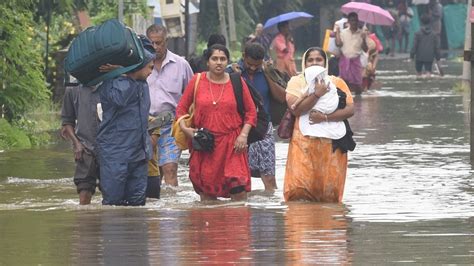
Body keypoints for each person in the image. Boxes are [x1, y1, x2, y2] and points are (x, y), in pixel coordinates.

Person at [175, 44, 257, 201]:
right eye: (214, 59)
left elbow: (251, 111)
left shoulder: (237, 82)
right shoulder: (197, 80)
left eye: (222, 59)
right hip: (206, 145)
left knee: (238, 189)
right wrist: (186, 129)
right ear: (207, 62)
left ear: (227, 62)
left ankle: (238, 225)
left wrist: (243, 135)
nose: (218, 62)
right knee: (207, 194)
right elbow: (181, 109)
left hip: (233, 144)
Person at [283, 47, 354, 203]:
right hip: (303, 143)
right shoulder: (296, 82)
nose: (314, 63)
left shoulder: (337, 82)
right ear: (305, 63)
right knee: (299, 191)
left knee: (329, 194)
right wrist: (317, 94)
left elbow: (350, 110)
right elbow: (296, 110)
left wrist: (325, 117)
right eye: (310, 60)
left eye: (319, 60)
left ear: (325, 62)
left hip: (332, 146)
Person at [96, 47, 155, 206]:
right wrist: (129, 74)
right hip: (115, 153)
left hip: (139, 153)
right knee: (113, 203)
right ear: (139, 66)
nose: (151, 72)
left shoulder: (143, 85)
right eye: (150, 67)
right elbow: (119, 100)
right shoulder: (112, 82)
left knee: (138, 203)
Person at [228, 43, 286, 192]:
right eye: (250, 64)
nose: (253, 68)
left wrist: (267, 74)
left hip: (263, 128)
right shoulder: (231, 72)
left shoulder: (268, 71)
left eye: (257, 65)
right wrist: (237, 77)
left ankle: (269, 208)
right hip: (239, 129)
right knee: (240, 177)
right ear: (243, 57)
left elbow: (282, 98)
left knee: (268, 177)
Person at [146, 24, 194, 187]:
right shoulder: (140, 65)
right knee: (151, 172)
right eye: (151, 43)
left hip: (171, 124)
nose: (155, 47)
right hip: (146, 125)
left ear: (166, 42)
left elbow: (192, 96)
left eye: (159, 43)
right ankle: (155, 208)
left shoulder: (181, 64)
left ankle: (172, 209)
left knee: (170, 168)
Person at [60, 84, 101, 205]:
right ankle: (84, 220)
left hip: (108, 147)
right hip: (84, 147)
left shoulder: (110, 85)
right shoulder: (72, 90)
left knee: (110, 191)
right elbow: (67, 122)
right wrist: (76, 143)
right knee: (84, 189)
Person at [335, 12, 368, 95]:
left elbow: (365, 49)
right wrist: (337, 33)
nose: (354, 22)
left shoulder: (362, 33)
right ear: (348, 21)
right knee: (344, 83)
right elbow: (339, 44)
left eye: (356, 20)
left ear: (358, 21)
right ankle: (346, 100)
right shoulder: (343, 32)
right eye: (352, 20)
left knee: (358, 84)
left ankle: (358, 100)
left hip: (356, 62)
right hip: (344, 61)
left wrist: (364, 39)